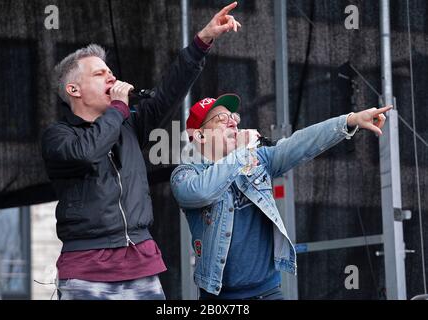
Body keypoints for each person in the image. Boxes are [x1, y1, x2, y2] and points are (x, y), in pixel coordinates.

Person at [41, 2, 242, 300]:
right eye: (99, 74)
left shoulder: (128, 125)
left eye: (110, 71)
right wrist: (119, 108)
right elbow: (88, 152)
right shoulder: (58, 136)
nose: (111, 77)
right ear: (74, 90)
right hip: (87, 268)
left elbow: (169, 92)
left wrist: (203, 41)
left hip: (141, 263)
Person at [170, 93, 392, 300]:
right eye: (221, 119)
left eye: (234, 117)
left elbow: (301, 143)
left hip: (268, 291)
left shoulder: (259, 160)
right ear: (199, 135)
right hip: (218, 297)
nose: (233, 122)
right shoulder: (186, 174)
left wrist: (349, 121)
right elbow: (200, 192)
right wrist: (241, 153)